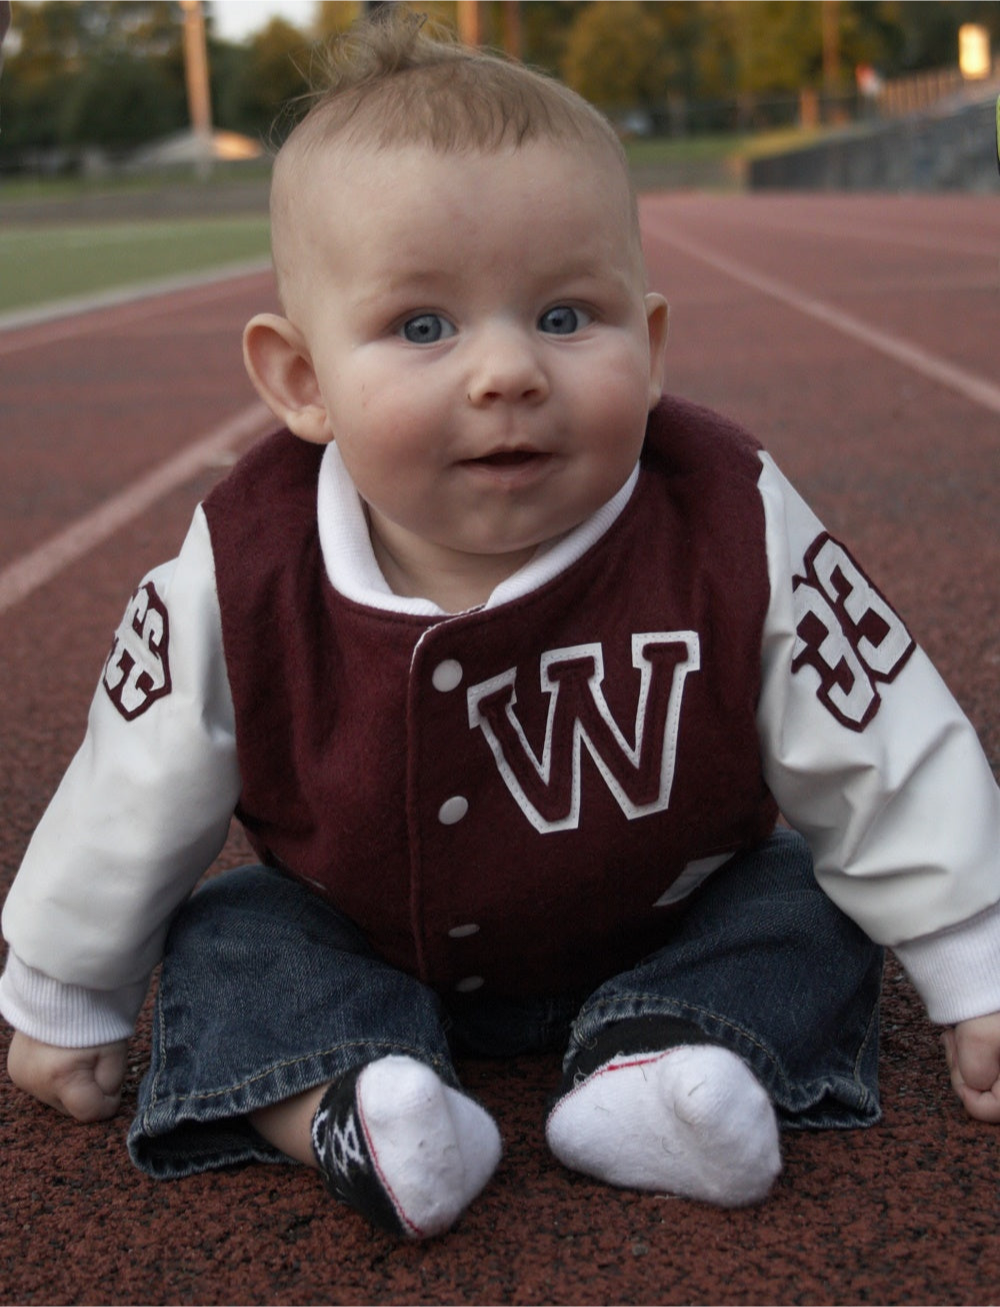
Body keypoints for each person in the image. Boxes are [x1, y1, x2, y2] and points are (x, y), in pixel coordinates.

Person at [3, 11, 999, 1242]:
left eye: (568, 317)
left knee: (803, 893)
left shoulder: (728, 515)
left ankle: (665, 1063)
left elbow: (875, 728)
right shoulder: (247, 557)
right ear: (300, 381)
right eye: (423, 327)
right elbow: (133, 773)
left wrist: (976, 956)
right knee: (228, 927)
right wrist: (66, 985)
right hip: (361, 939)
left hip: (666, 918)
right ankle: (350, 1099)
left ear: (652, 341)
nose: (507, 372)